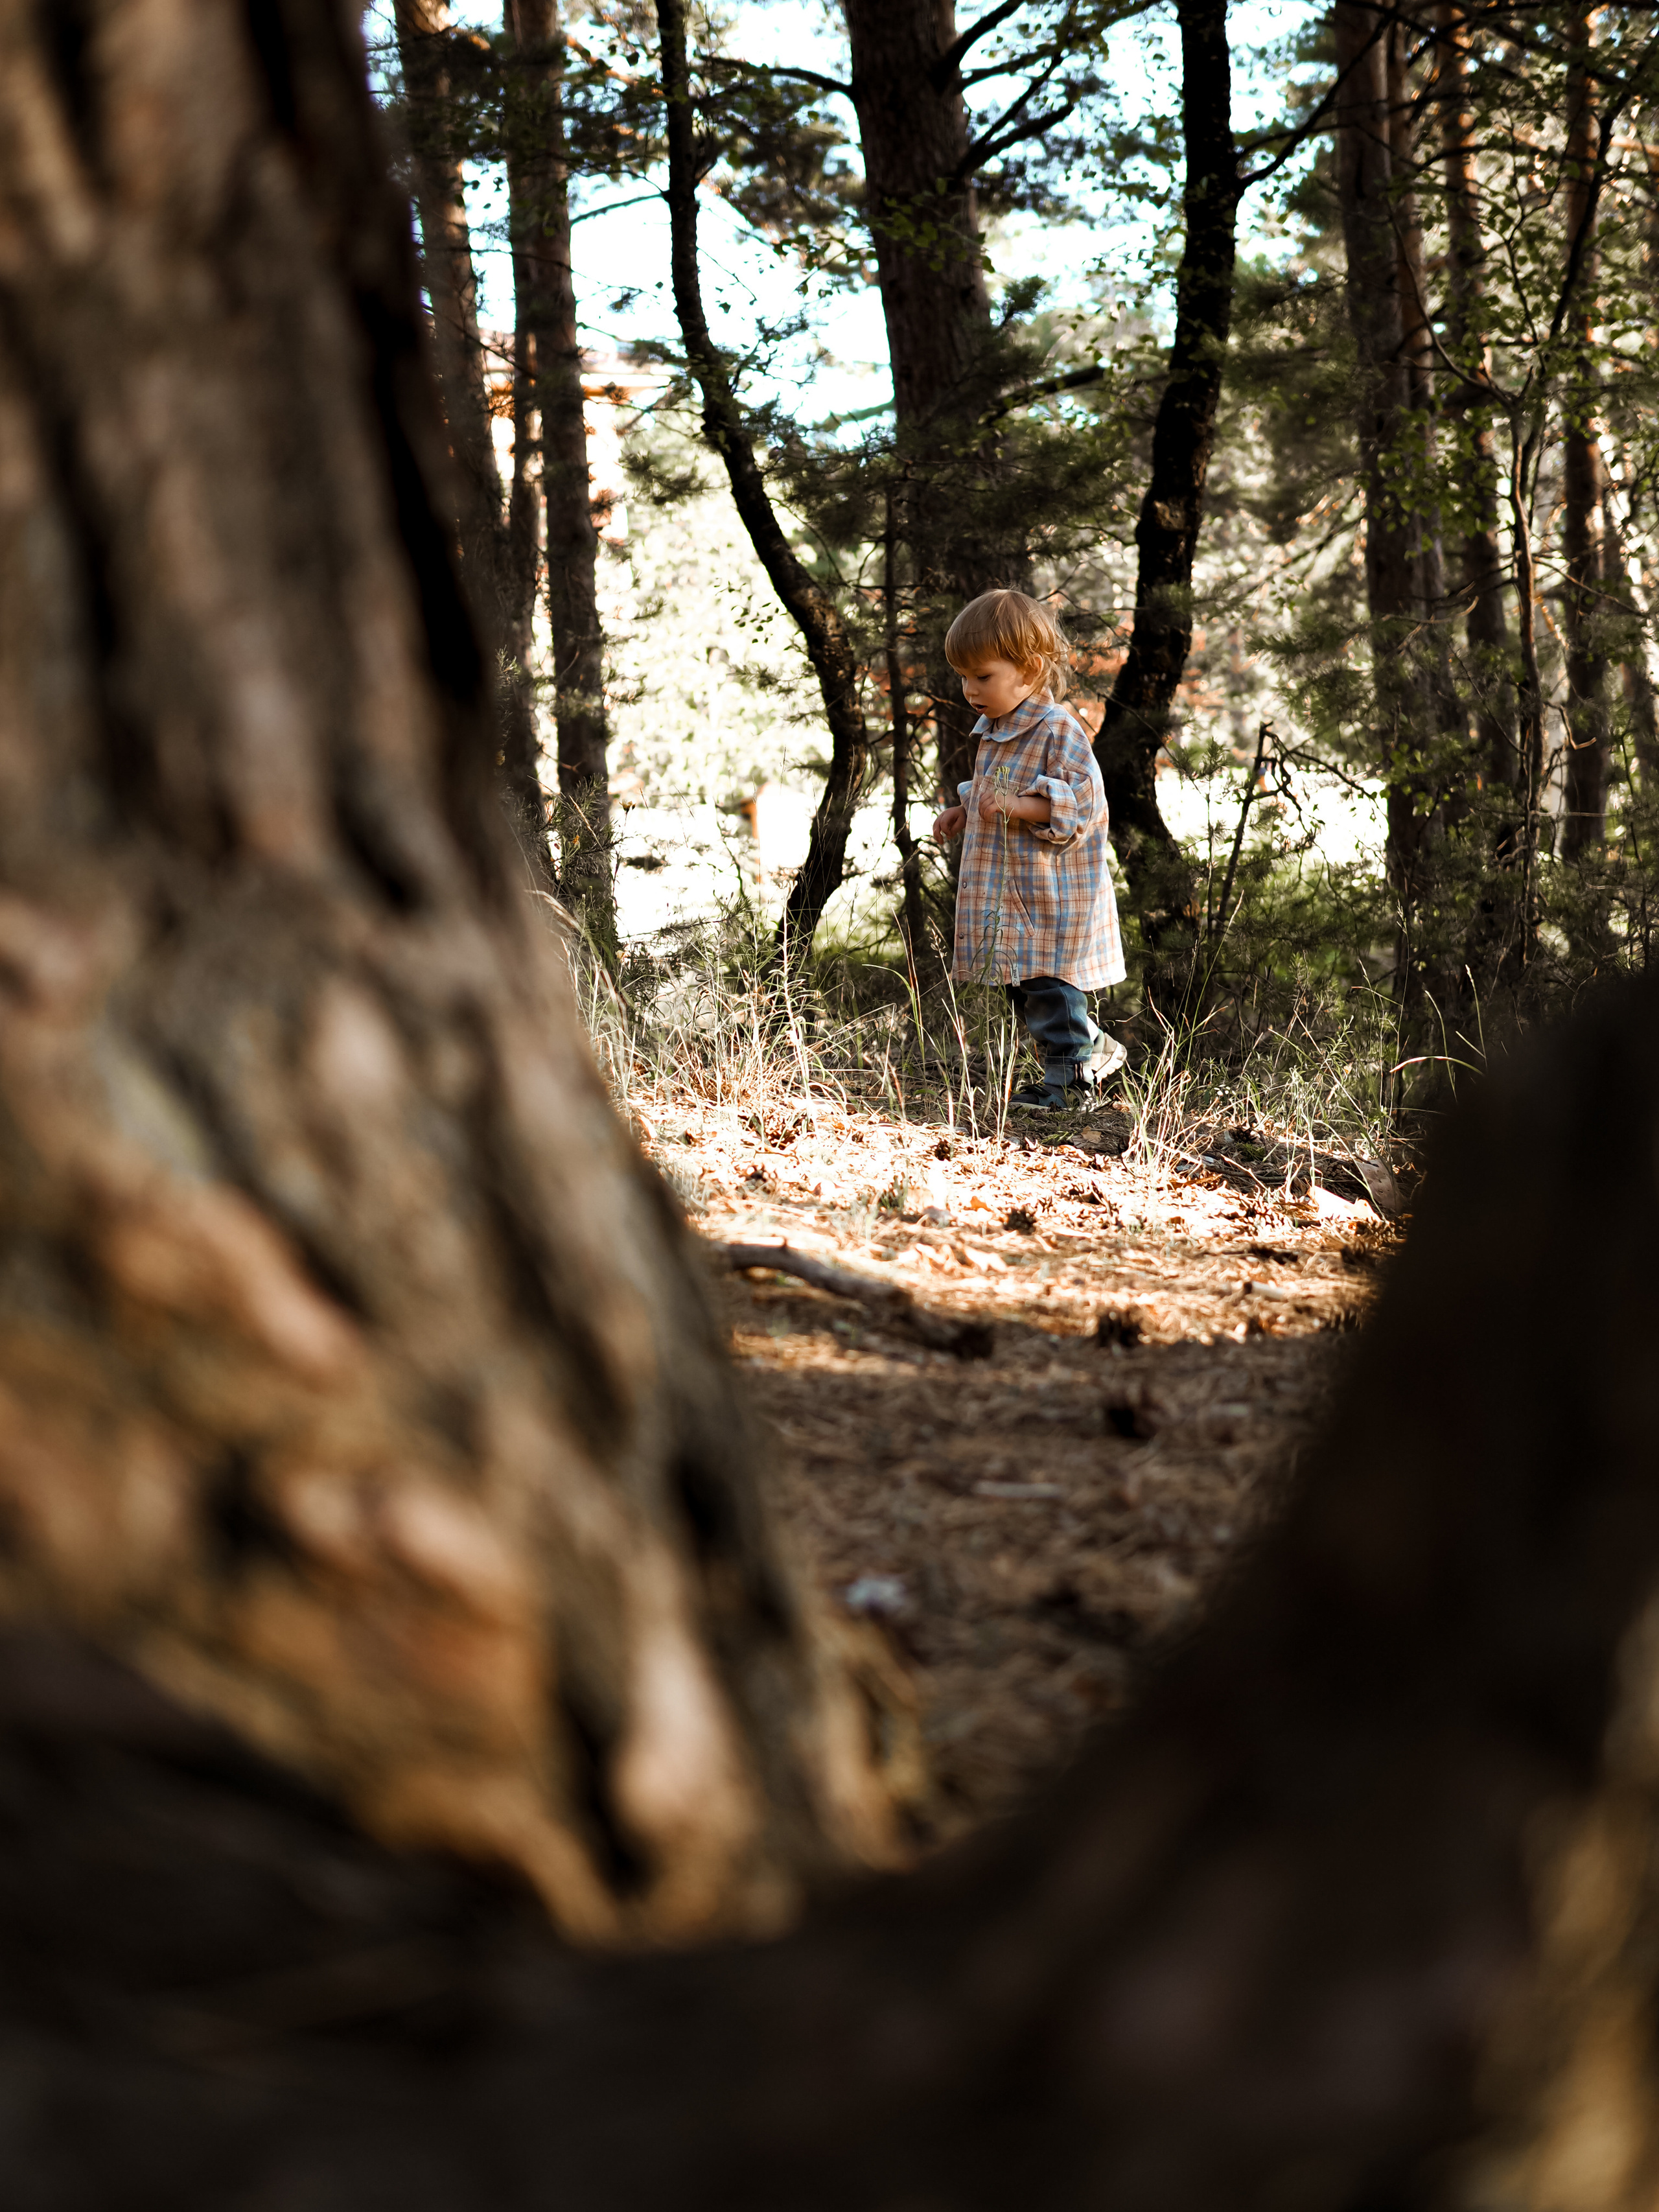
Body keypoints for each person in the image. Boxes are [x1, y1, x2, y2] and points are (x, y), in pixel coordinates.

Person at [931, 589, 1127, 1110]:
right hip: (1012, 894)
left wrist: (1017, 804)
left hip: (1051, 894)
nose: (970, 689)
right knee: (1023, 985)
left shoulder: (1057, 728)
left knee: (1048, 988)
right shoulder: (995, 730)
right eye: (964, 677)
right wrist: (966, 811)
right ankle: (1097, 1048)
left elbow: (1078, 806)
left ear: (1030, 668)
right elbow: (995, 793)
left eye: (983, 676)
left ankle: (1070, 1084)